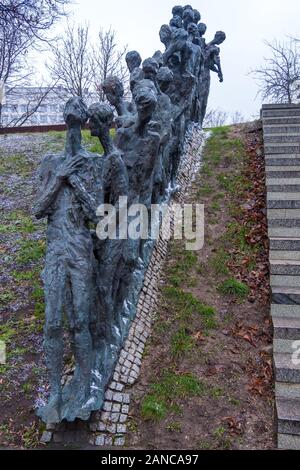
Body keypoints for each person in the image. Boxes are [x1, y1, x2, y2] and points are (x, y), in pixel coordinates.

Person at [33, 97, 102, 423]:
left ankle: (86, 384)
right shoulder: (50, 162)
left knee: (79, 322)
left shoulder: (92, 164)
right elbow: (38, 210)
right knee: (51, 323)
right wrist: (60, 176)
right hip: (56, 251)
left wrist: (74, 180)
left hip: (79, 250)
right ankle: (56, 391)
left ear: (84, 119)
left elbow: (97, 213)